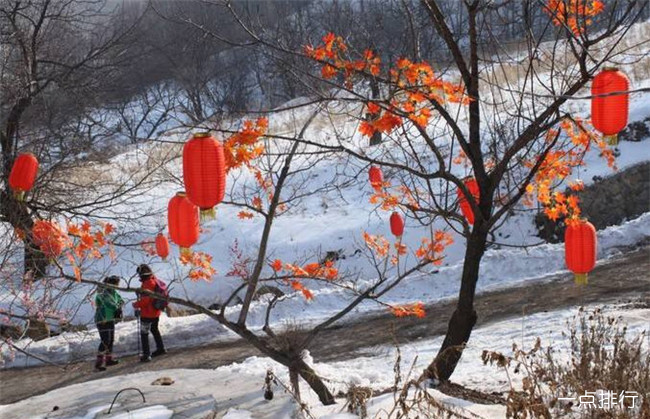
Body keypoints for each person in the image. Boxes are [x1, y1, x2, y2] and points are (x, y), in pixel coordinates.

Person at [133, 264, 166, 362]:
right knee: (154, 329)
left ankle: (146, 355)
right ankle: (161, 348)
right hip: (156, 311)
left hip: (147, 313)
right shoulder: (155, 280)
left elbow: (146, 300)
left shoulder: (147, 283)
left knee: (144, 333)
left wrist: (135, 304)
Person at [94, 275, 124, 371]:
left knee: (110, 340)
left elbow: (121, 301)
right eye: (116, 284)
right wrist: (117, 307)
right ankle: (99, 363)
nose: (117, 287)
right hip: (102, 319)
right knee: (105, 341)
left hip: (110, 319)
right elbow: (108, 303)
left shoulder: (114, 292)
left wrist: (119, 306)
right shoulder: (103, 293)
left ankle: (108, 359)